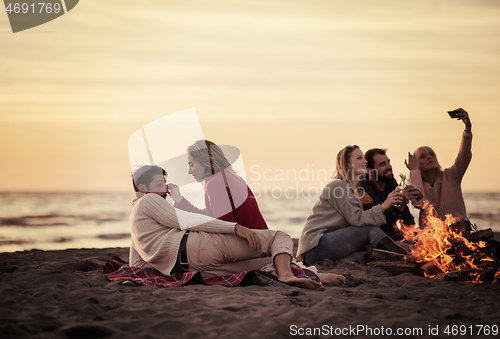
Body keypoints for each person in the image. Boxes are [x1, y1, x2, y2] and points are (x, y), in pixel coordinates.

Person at [129, 165, 342, 290]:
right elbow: (187, 221)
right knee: (280, 237)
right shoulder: (149, 201)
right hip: (196, 248)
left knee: (264, 263)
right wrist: (236, 228)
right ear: (142, 188)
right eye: (160, 185)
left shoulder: (136, 214)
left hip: (188, 267)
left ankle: (318, 277)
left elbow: (135, 261)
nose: (164, 190)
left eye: (164, 184)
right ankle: (287, 276)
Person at [297, 145, 408, 266]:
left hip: (327, 244)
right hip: (314, 246)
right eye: (359, 158)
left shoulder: (354, 189)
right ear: (348, 164)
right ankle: (409, 259)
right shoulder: (338, 186)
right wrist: (384, 205)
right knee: (371, 232)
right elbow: (357, 219)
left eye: (364, 158)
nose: (365, 161)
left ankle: (407, 262)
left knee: (369, 252)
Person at [169, 140, 268, 230]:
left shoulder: (216, 182)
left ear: (205, 161)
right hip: (258, 242)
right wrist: (179, 200)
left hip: (248, 246)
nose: (189, 171)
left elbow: (223, 227)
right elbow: (210, 217)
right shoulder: (232, 177)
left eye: (191, 165)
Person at [405, 108, 472, 226]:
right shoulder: (415, 182)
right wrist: (414, 171)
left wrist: (468, 128)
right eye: (423, 156)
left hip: (458, 233)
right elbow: (419, 202)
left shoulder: (452, 175)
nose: (429, 157)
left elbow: (464, 156)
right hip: (431, 239)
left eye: (432, 154)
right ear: (416, 163)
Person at [361, 148, 417, 240]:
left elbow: (407, 219)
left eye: (388, 162)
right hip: (373, 239)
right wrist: (398, 206)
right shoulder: (363, 189)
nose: (389, 167)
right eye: (382, 164)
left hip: (391, 234)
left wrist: (411, 235)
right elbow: (379, 226)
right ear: (370, 171)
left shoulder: (390, 182)